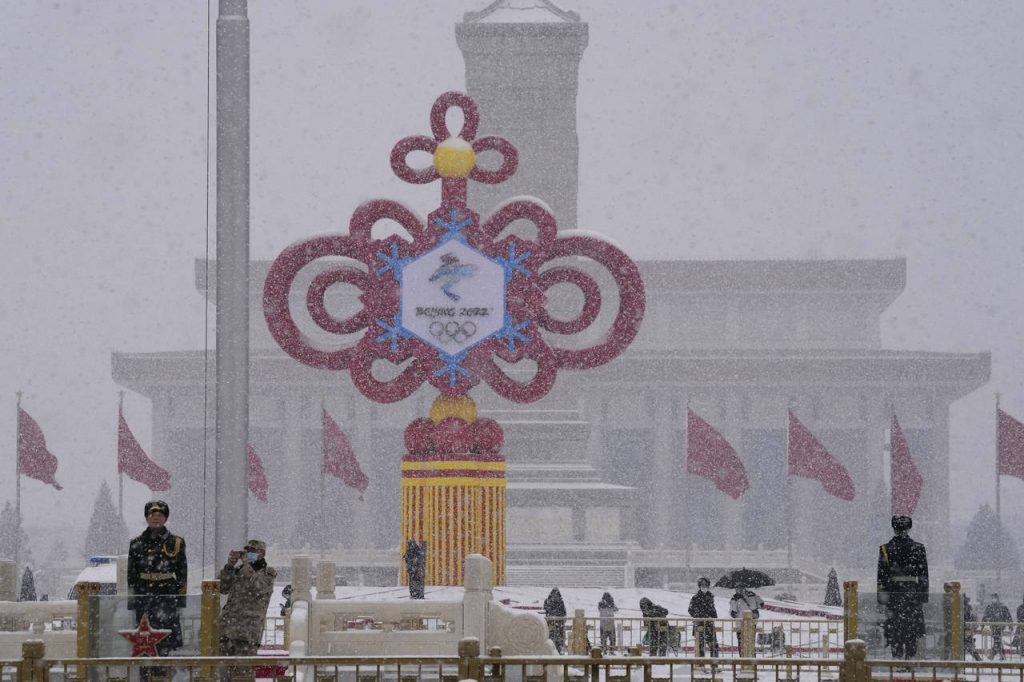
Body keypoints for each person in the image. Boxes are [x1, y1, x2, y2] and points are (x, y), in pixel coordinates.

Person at [127, 500, 187, 681]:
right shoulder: (136, 543)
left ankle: (162, 677)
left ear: (165, 518)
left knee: (165, 644)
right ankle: (145, 678)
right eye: (152, 515)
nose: (156, 518)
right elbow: (131, 576)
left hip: (166, 597)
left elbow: (182, 573)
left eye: (160, 515)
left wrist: (180, 601)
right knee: (143, 643)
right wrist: (133, 602)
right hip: (144, 597)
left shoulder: (176, 542)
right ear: (146, 518)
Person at [219, 539, 277, 680]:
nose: (248, 553)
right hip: (228, 629)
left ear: (262, 553)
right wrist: (229, 566)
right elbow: (222, 588)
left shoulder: (267, 573)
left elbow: (259, 588)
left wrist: (246, 565)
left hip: (248, 632)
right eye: (247, 551)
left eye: (252, 551)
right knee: (224, 674)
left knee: (243, 675)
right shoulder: (239, 571)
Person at [876, 515, 929, 661]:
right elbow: (923, 575)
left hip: (893, 595)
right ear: (909, 528)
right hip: (912, 595)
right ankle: (909, 659)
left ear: (894, 529)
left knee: (895, 630)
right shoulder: (918, 548)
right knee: (911, 630)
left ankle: (897, 659)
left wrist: (882, 598)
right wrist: (923, 597)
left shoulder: (885, 549)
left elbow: (882, 577)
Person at [688, 577, 719, 659]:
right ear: (699, 586)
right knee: (700, 646)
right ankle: (700, 663)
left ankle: (714, 663)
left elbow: (712, 609)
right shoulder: (695, 597)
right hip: (699, 624)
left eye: (706, 585)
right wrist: (700, 615)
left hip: (709, 624)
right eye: (702, 585)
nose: (704, 587)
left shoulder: (710, 597)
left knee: (714, 645)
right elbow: (690, 610)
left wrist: (713, 615)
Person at [729, 586, 763, 656]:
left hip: (746, 623)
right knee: (746, 643)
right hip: (744, 624)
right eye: (737, 588)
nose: (738, 590)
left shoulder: (751, 596)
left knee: (747, 643)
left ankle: (747, 659)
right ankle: (747, 658)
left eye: (740, 588)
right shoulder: (735, 598)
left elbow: (761, 604)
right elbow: (733, 613)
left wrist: (754, 597)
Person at [982, 592, 1011, 660]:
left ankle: (993, 655)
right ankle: (1001, 655)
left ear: (997, 598)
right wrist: (982, 624)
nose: (993, 599)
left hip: (1000, 626)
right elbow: (985, 616)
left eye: (994, 598)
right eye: (992, 598)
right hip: (993, 626)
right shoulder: (990, 607)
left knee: (997, 640)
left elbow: (1008, 616)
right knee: (997, 640)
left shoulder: (1002, 607)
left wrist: (1010, 625)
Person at [544, 588, 567, 653]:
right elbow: (563, 613)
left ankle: (551, 652)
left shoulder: (547, 601)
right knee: (559, 641)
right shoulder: (560, 601)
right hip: (559, 624)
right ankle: (559, 652)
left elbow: (546, 610)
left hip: (550, 624)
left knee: (550, 640)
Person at [963, 596, 982, 661]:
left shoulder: (966, 609)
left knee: (969, 646)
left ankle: (978, 659)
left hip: (965, 630)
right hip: (966, 630)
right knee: (969, 646)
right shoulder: (969, 609)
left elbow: (974, 620)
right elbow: (975, 620)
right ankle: (978, 659)